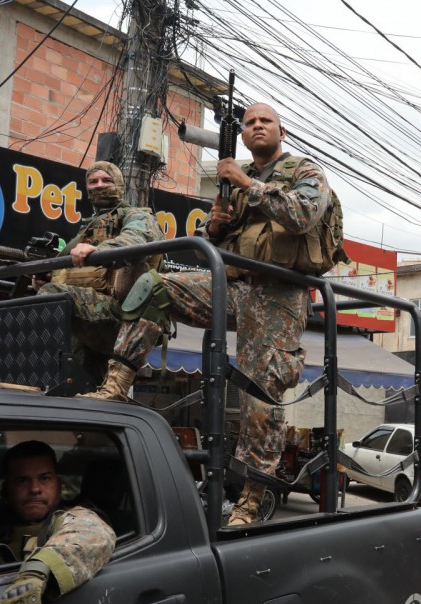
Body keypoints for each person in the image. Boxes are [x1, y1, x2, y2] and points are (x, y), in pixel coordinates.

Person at [81, 103, 333, 527]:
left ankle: (251, 499)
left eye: (264, 121)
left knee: (259, 393)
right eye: (250, 122)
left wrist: (244, 181)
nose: (255, 127)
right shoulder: (236, 183)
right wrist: (213, 229)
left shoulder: (304, 172)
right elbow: (215, 241)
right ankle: (117, 383)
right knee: (153, 287)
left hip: (278, 296)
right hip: (233, 287)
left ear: (281, 131)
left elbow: (303, 215)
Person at [37, 162, 166, 385]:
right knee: (84, 386)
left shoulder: (139, 217)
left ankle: (34, 367)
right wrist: (48, 276)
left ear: (119, 185)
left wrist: (100, 251)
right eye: (93, 182)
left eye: (106, 181)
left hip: (124, 318)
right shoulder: (86, 231)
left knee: (54, 296)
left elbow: (134, 241)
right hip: (88, 321)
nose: (99, 186)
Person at [0, 440, 116, 604]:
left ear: (59, 484)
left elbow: (92, 533)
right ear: (6, 490)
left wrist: (35, 572)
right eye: (22, 480)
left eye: (45, 478)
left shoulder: (72, 518)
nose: (35, 489)